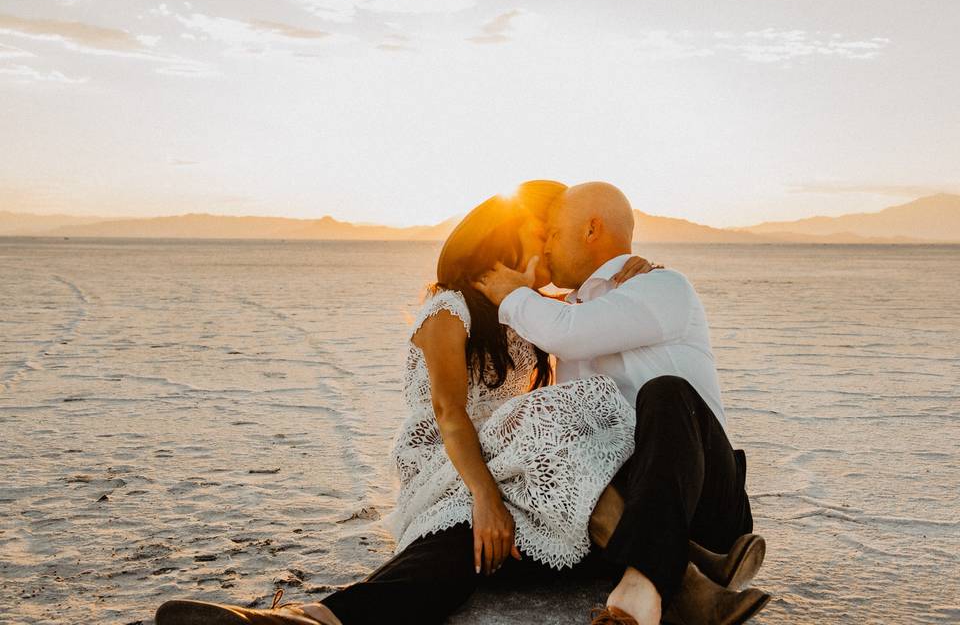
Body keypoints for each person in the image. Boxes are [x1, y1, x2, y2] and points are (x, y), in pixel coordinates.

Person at [154, 180, 652, 625]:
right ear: (506, 234)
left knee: (559, 457)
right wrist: (485, 497)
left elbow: (594, 317)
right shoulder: (449, 309)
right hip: (451, 468)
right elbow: (448, 414)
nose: (550, 246)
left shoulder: (533, 311)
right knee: (463, 542)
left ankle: (313, 618)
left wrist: (630, 272)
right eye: (542, 232)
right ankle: (313, 617)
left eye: (555, 235)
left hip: (512, 467)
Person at [474, 181, 769, 625]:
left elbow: (569, 332)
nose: (547, 246)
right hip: (620, 516)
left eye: (553, 233)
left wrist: (511, 293)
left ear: (592, 229)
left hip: (706, 502)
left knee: (665, 392)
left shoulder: (663, 286)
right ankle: (690, 574)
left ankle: (639, 595)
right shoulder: (566, 310)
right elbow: (567, 329)